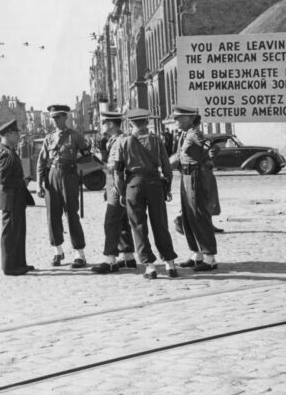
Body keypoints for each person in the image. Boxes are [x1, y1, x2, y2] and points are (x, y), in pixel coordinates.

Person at [114, 108, 178, 280]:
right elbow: (166, 167)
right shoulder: (156, 140)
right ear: (146, 122)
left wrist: (121, 191)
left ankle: (149, 266)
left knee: (138, 226)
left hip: (133, 185)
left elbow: (118, 171)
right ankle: (170, 263)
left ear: (130, 123)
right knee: (160, 223)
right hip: (154, 183)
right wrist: (168, 187)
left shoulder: (123, 142)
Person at [36, 104, 90, 268]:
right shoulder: (49, 138)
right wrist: (39, 184)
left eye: (58, 117)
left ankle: (79, 253)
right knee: (52, 215)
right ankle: (57, 251)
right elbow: (41, 162)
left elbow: (87, 155)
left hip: (68, 177)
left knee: (72, 214)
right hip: (52, 177)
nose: (55, 121)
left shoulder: (75, 136)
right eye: (53, 118)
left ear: (66, 117)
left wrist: (74, 162)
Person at [173, 105, 218, 272]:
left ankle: (209, 257)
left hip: (194, 178)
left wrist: (208, 157)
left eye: (178, 118)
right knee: (188, 216)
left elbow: (210, 147)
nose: (176, 121)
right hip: (185, 177)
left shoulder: (195, 134)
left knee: (199, 216)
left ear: (187, 118)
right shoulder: (185, 135)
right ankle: (197, 253)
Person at [91, 111, 136, 274]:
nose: (102, 125)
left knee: (110, 222)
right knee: (122, 221)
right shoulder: (114, 140)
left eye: (104, 122)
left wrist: (116, 188)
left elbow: (116, 168)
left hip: (117, 185)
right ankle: (128, 257)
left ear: (110, 124)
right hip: (114, 184)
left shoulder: (119, 141)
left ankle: (110, 260)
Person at [0, 119, 35, 276]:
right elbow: (3, 180)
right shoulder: (4, 153)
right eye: (16, 133)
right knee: (10, 234)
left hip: (16, 198)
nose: (18, 136)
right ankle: (9, 267)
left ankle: (19, 263)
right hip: (10, 199)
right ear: (9, 134)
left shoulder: (10, 150)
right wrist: (22, 181)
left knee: (18, 232)